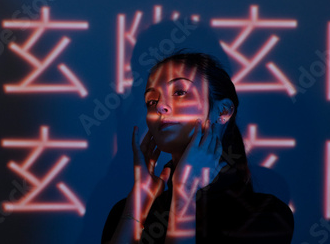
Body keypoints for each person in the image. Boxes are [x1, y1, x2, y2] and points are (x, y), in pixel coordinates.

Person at [101, 52, 294, 243]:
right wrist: (137, 201)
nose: (160, 106)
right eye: (151, 101)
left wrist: (184, 193)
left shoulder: (265, 214)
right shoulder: (127, 211)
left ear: (223, 110)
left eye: (179, 92)